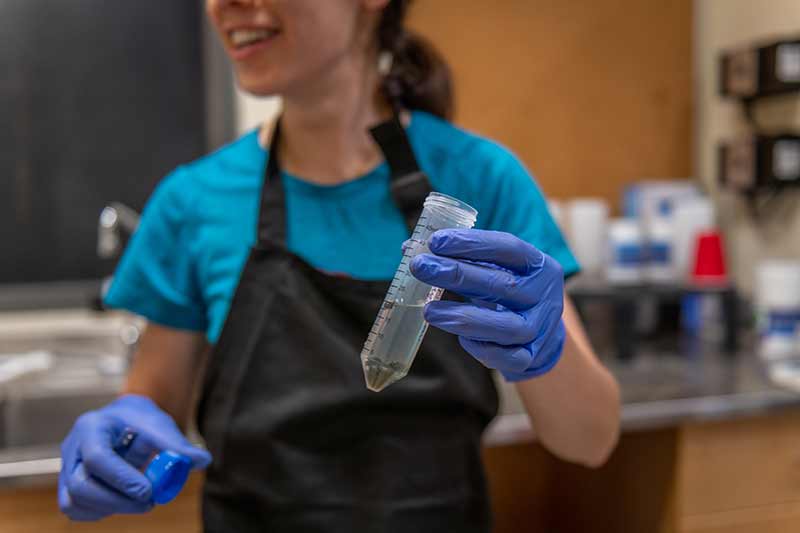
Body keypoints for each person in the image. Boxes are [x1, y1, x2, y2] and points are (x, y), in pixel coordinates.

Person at [58, 0, 620, 531]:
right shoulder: (192, 202)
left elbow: (590, 441)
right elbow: (153, 410)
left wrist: (544, 353)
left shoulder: (478, 180)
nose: (225, 2)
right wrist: (123, 434)